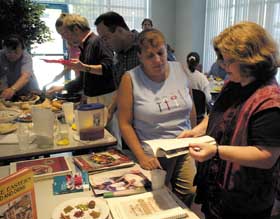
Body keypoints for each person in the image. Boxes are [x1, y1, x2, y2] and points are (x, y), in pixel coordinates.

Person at [178, 21, 280, 218]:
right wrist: (196, 131)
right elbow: (218, 115)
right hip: (218, 189)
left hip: (246, 199)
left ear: (248, 59)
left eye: (227, 60)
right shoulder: (234, 82)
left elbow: (266, 156)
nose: (221, 66)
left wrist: (216, 151)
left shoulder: (270, 101)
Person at [118, 28, 197, 206]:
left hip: (183, 146)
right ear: (139, 56)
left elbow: (190, 108)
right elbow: (124, 123)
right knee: (158, 196)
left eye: (161, 53)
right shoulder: (130, 79)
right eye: (150, 56)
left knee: (190, 191)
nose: (158, 60)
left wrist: (194, 137)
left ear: (166, 49)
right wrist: (141, 156)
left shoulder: (180, 70)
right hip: (151, 150)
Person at [47, 13, 115, 109]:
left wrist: (83, 67)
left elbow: (109, 68)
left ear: (76, 29)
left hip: (105, 98)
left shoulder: (98, 42)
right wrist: (63, 87)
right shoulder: (85, 46)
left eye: (65, 33)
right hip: (95, 98)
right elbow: (83, 78)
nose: (63, 37)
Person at [0, 34, 39, 100]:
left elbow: (25, 76)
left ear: (22, 49)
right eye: (9, 51)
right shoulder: (0, 55)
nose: (12, 55)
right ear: (4, 48)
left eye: (16, 52)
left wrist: (13, 89)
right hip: (7, 92)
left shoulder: (26, 57)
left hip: (29, 91)